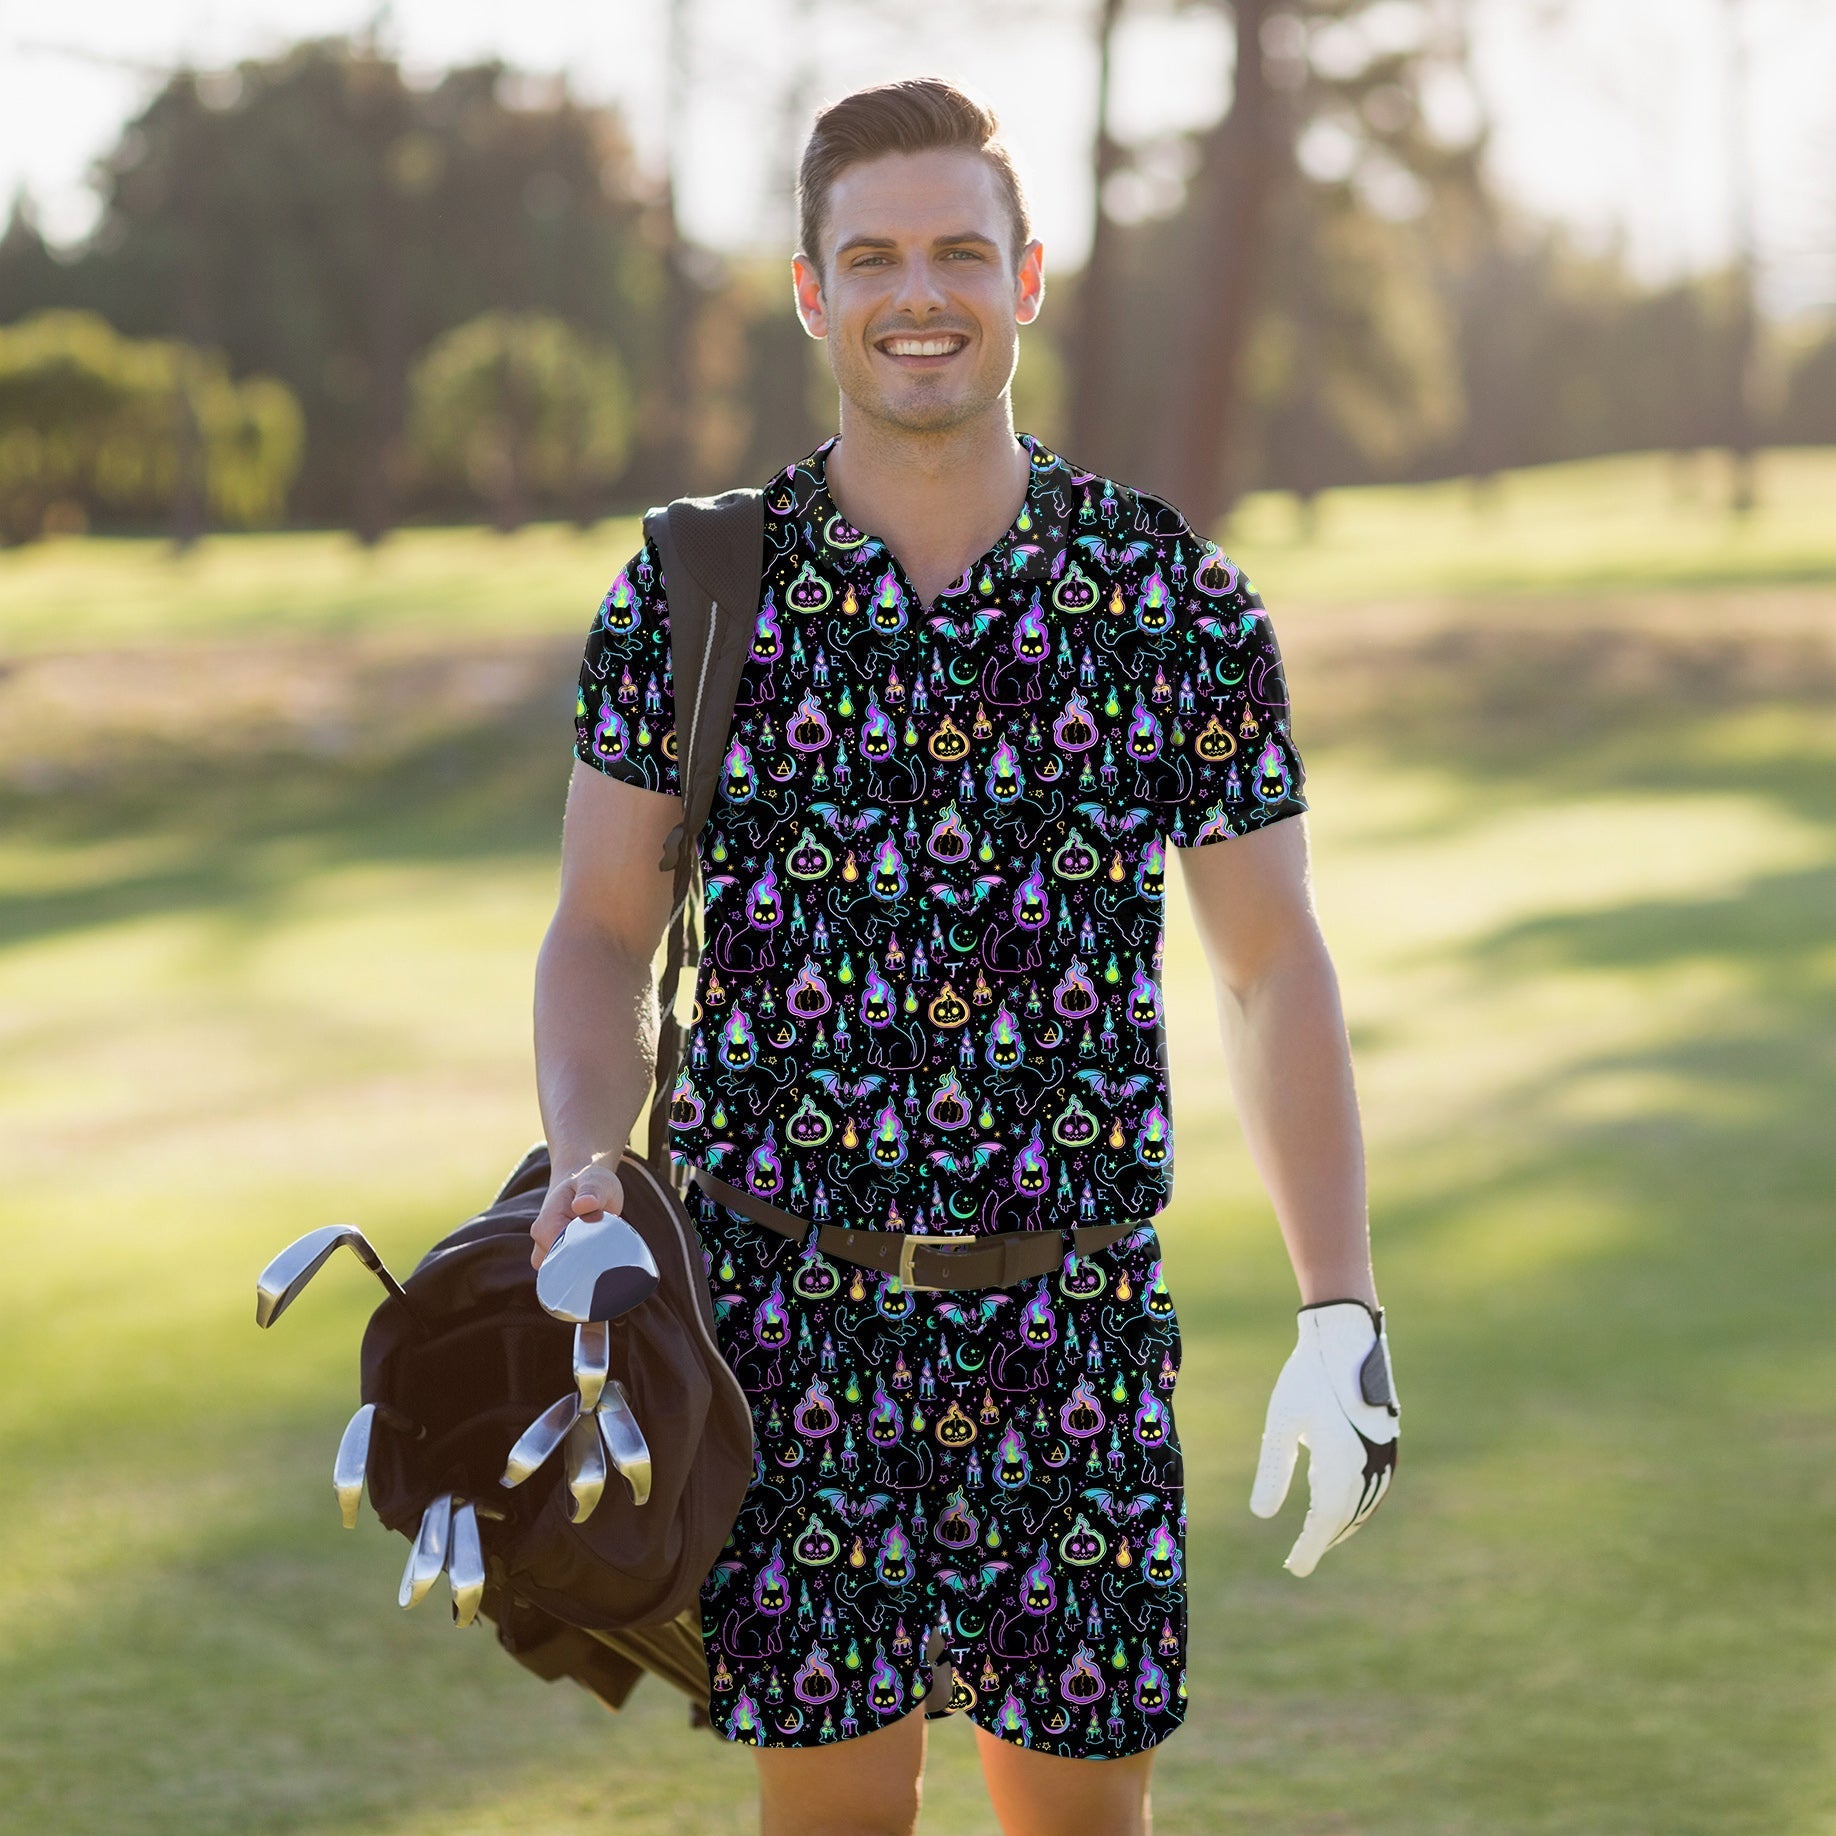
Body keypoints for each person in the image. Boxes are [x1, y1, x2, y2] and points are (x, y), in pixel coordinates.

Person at [531, 77, 1395, 1836]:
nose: (916, 290)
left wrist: (1341, 1307)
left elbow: (1269, 966)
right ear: (810, 291)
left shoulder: (1171, 602)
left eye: (956, 252)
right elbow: (602, 929)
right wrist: (584, 1160)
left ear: (1029, 276)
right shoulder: (695, 591)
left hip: (1072, 1325)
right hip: (781, 1330)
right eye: (873, 256)